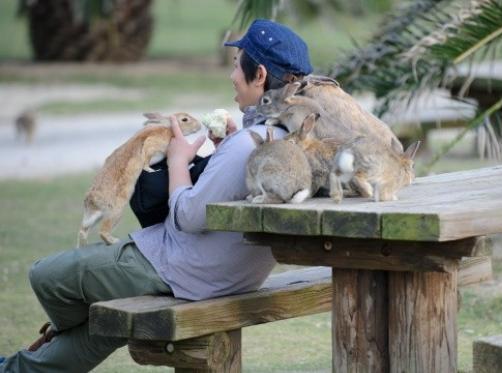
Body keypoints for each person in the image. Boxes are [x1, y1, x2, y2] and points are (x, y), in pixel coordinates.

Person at [0, 18, 313, 372]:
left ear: (258, 75)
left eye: (235, 66)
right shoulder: (288, 136)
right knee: (102, 327)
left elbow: (189, 216)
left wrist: (179, 161)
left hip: (179, 269)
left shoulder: (246, 145)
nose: (230, 77)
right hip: (232, 276)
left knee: (44, 276)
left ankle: (55, 336)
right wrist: (220, 151)